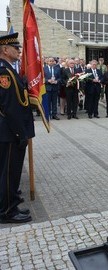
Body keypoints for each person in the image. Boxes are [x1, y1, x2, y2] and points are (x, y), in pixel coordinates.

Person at [0, 32, 34, 223]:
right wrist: (21, 132)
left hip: (10, 130)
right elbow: (9, 106)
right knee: (8, 173)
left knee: (11, 172)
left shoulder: (9, 69)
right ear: (5, 50)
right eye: (16, 48)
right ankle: (6, 212)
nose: (19, 51)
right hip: (10, 131)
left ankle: (11, 202)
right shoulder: (4, 72)